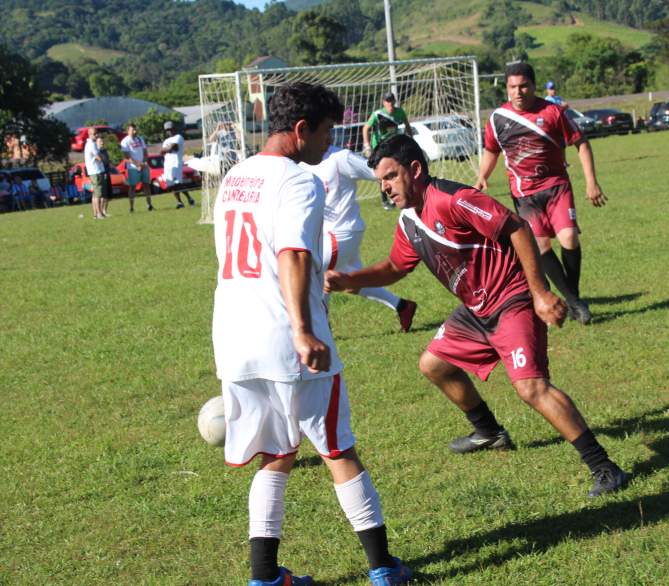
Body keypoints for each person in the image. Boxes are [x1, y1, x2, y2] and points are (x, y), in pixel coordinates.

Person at [326, 134, 628, 498]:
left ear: (415, 169)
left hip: (511, 298)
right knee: (434, 364)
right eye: (381, 182)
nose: (385, 188)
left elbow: (517, 228)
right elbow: (394, 266)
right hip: (476, 310)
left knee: (530, 387)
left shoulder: (455, 199)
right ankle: (489, 431)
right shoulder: (409, 221)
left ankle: (605, 467)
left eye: (390, 177)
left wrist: (540, 293)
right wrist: (347, 280)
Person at [211, 81, 412, 586]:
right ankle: (383, 568)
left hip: (234, 336)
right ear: (300, 130)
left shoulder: (236, 175)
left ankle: (264, 577)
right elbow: (294, 253)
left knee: (276, 452)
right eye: (326, 131)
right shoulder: (299, 181)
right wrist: (303, 330)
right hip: (284, 339)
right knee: (338, 448)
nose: (330, 141)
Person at [476, 62, 605, 325]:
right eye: (513, 87)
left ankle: (572, 295)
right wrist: (482, 177)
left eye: (524, 86)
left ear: (534, 86)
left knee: (569, 238)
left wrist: (591, 182)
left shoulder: (552, 112)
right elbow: (491, 150)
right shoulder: (497, 119)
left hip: (557, 186)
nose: (518, 92)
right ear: (507, 89)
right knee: (542, 246)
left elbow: (581, 143)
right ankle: (576, 302)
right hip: (524, 194)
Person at [299, 144, 418, 331]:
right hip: (325, 234)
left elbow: (379, 172)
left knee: (312, 274)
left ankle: (320, 331)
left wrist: (402, 190)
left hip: (342, 233)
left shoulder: (340, 158)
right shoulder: (302, 161)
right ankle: (402, 306)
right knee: (350, 282)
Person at [362, 92, 412, 210]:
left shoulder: (400, 112)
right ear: (384, 103)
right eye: (387, 101)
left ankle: (397, 195)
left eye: (391, 100)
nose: (389, 103)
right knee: (382, 173)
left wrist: (411, 140)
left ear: (394, 101)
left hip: (393, 145)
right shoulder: (377, 114)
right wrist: (367, 145)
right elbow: (365, 128)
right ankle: (385, 201)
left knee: (397, 170)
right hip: (378, 147)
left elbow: (407, 125)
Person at [161, 120, 196, 209]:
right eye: (167, 130)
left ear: (174, 128)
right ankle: (180, 202)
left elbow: (174, 147)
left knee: (178, 184)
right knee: (171, 185)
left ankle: (189, 198)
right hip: (168, 166)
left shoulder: (178, 137)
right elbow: (162, 152)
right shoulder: (166, 140)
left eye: (171, 129)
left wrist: (167, 149)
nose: (169, 131)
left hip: (176, 164)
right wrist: (167, 149)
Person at [120, 123, 155, 212]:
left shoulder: (140, 139)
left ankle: (149, 205)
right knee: (132, 187)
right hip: (133, 168)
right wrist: (137, 165)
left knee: (146, 185)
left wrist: (143, 163)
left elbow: (145, 153)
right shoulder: (125, 141)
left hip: (143, 166)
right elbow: (126, 157)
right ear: (128, 131)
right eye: (133, 130)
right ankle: (131, 208)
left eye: (135, 130)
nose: (135, 132)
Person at [83, 127, 107, 219]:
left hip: (94, 171)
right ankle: (99, 213)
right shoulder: (91, 144)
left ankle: (95, 214)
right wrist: (103, 159)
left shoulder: (90, 144)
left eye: (97, 133)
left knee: (95, 193)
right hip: (95, 171)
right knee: (98, 193)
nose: (96, 135)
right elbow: (99, 157)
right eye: (94, 134)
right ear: (89, 134)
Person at [97, 136, 112, 217]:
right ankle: (101, 212)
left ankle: (105, 211)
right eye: (100, 142)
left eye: (102, 141)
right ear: (96, 143)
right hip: (102, 174)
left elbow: (107, 162)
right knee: (103, 194)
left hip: (107, 174)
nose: (102, 143)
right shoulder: (96, 152)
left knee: (108, 195)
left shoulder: (105, 151)